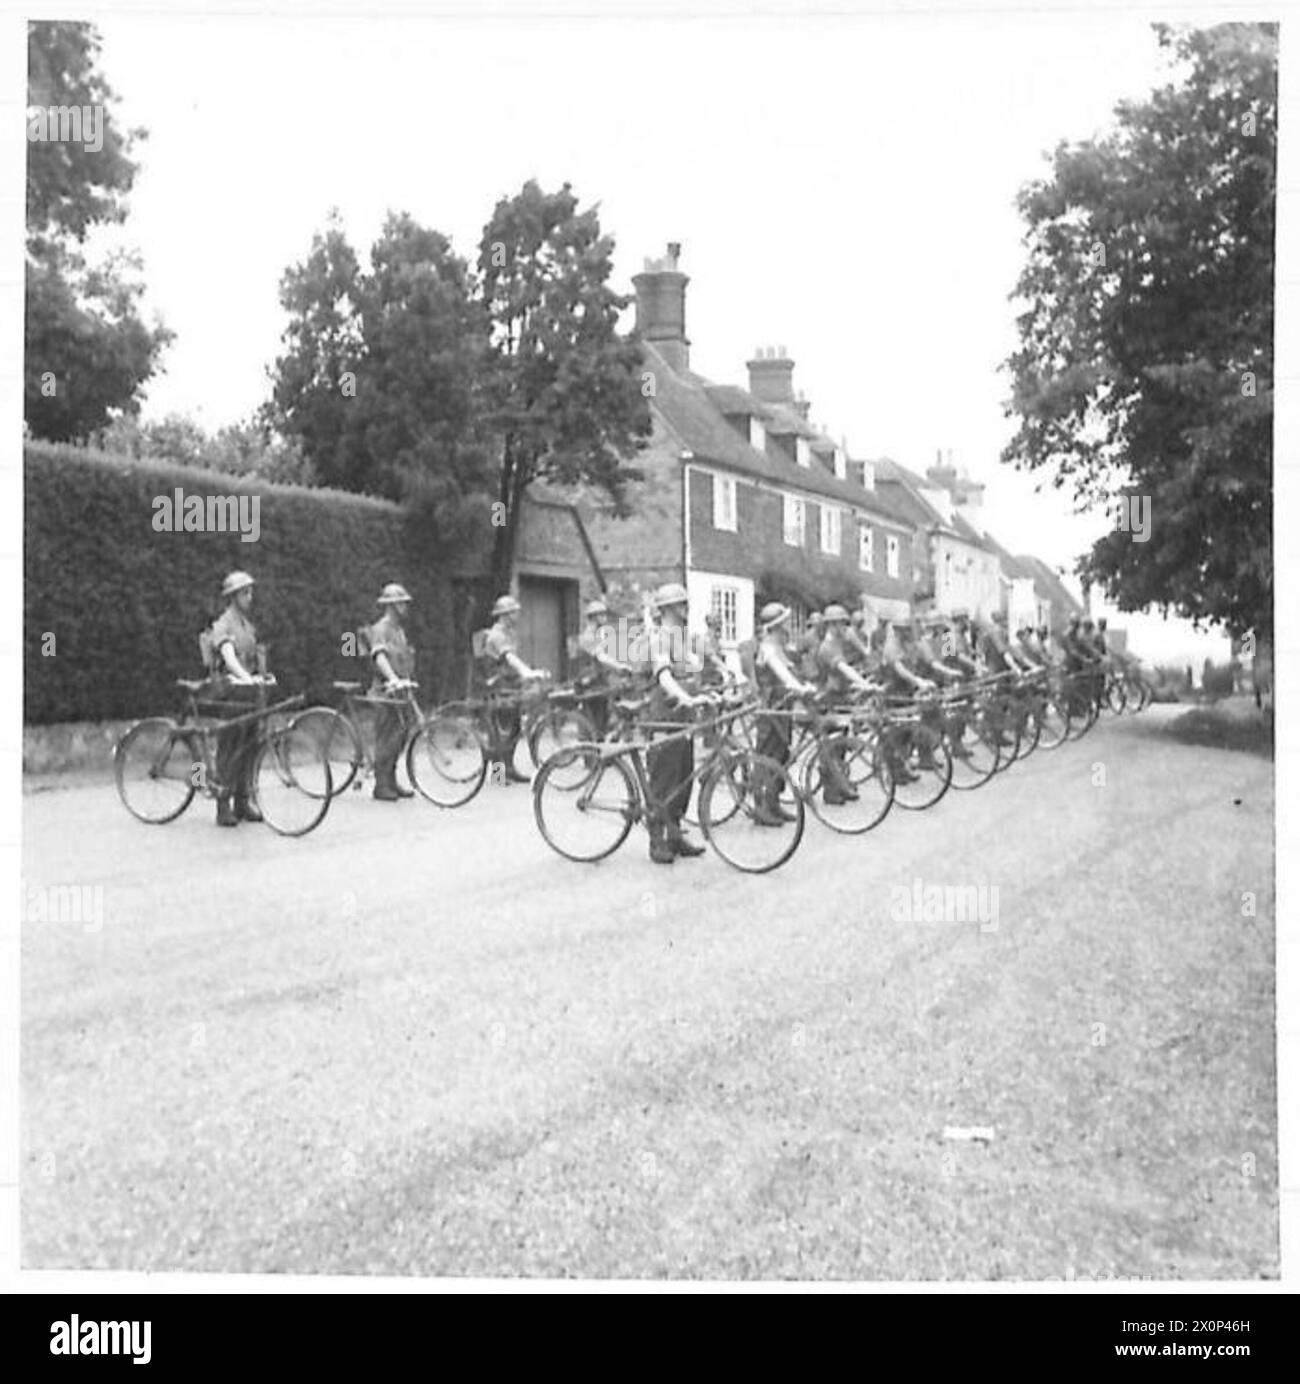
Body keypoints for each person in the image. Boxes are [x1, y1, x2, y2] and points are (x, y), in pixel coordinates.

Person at [645, 583, 709, 863]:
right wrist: (685, 696)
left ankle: (675, 833)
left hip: (683, 718)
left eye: (685, 602)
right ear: (667, 608)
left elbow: (691, 674)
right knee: (664, 779)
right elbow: (664, 677)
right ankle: (657, 838)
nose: (686, 607)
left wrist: (705, 693)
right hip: (665, 717)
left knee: (683, 777)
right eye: (680, 603)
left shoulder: (680, 638)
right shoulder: (659, 637)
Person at [205, 570, 265, 827]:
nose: (249, 597)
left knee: (250, 745)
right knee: (230, 747)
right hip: (230, 693)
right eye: (244, 593)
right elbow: (229, 657)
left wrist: (260, 677)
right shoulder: (224, 624)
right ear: (232, 597)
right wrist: (246, 677)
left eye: (250, 592)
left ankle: (242, 800)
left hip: (247, 694)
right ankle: (223, 803)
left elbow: (254, 658)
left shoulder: (247, 626)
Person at [750, 602, 816, 825]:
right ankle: (760, 807)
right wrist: (796, 687)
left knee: (781, 755)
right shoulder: (768, 647)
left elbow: (791, 673)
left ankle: (774, 802)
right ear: (776, 625)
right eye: (784, 622)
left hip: (782, 708)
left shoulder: (780, 646)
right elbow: (780, 673)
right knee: (767, 757)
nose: (787, 626)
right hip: (770, 710)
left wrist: (803, 685)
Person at [479, 594, 546, 783]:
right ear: (505, 615)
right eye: (514, 612)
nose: (517, 615)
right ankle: (497, 775)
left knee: (514, 728)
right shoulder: (497, 635)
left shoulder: (508, 634)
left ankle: (509, 768)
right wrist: (526, 671)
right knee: (501, 731)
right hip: (499, 689)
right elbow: (509, 658)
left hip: (510, 687)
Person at [365, 583, 416, 801]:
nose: (405, 606)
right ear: (392, 605)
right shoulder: (381, 629)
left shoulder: (399, 631)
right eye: (401, 602)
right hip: (384, 690)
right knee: (386, 737)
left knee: (401, 735)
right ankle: (381, 784)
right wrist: (393, 679)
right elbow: (380, 656)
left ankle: (392, 778)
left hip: (400, 691)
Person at [575, 597, 632, 736]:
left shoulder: (597, 635)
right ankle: (591, 751)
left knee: (602, 719)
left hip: (598, 682)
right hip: (589, 684)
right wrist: (620, 666)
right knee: (593, 722)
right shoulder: (587, 637)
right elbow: (601, 657)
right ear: (594, 617)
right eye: (601, 614)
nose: (605, 618)